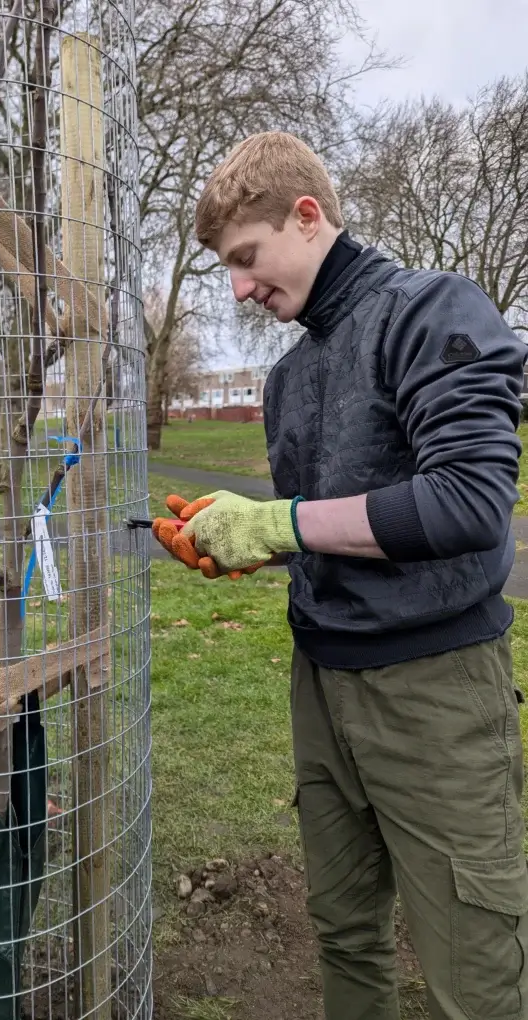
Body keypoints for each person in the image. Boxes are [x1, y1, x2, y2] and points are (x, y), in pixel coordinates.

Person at [153, 131, 528, 1020]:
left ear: (308, 217)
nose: (240, 288)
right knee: (343, 931)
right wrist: (235, 537)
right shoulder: (289, 377)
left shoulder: (433, 311)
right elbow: (328, 529)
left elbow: (469, 502)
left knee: (473, 971)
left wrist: (276, 521)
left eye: (246, 258)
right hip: (321, 684)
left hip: (432, 694)